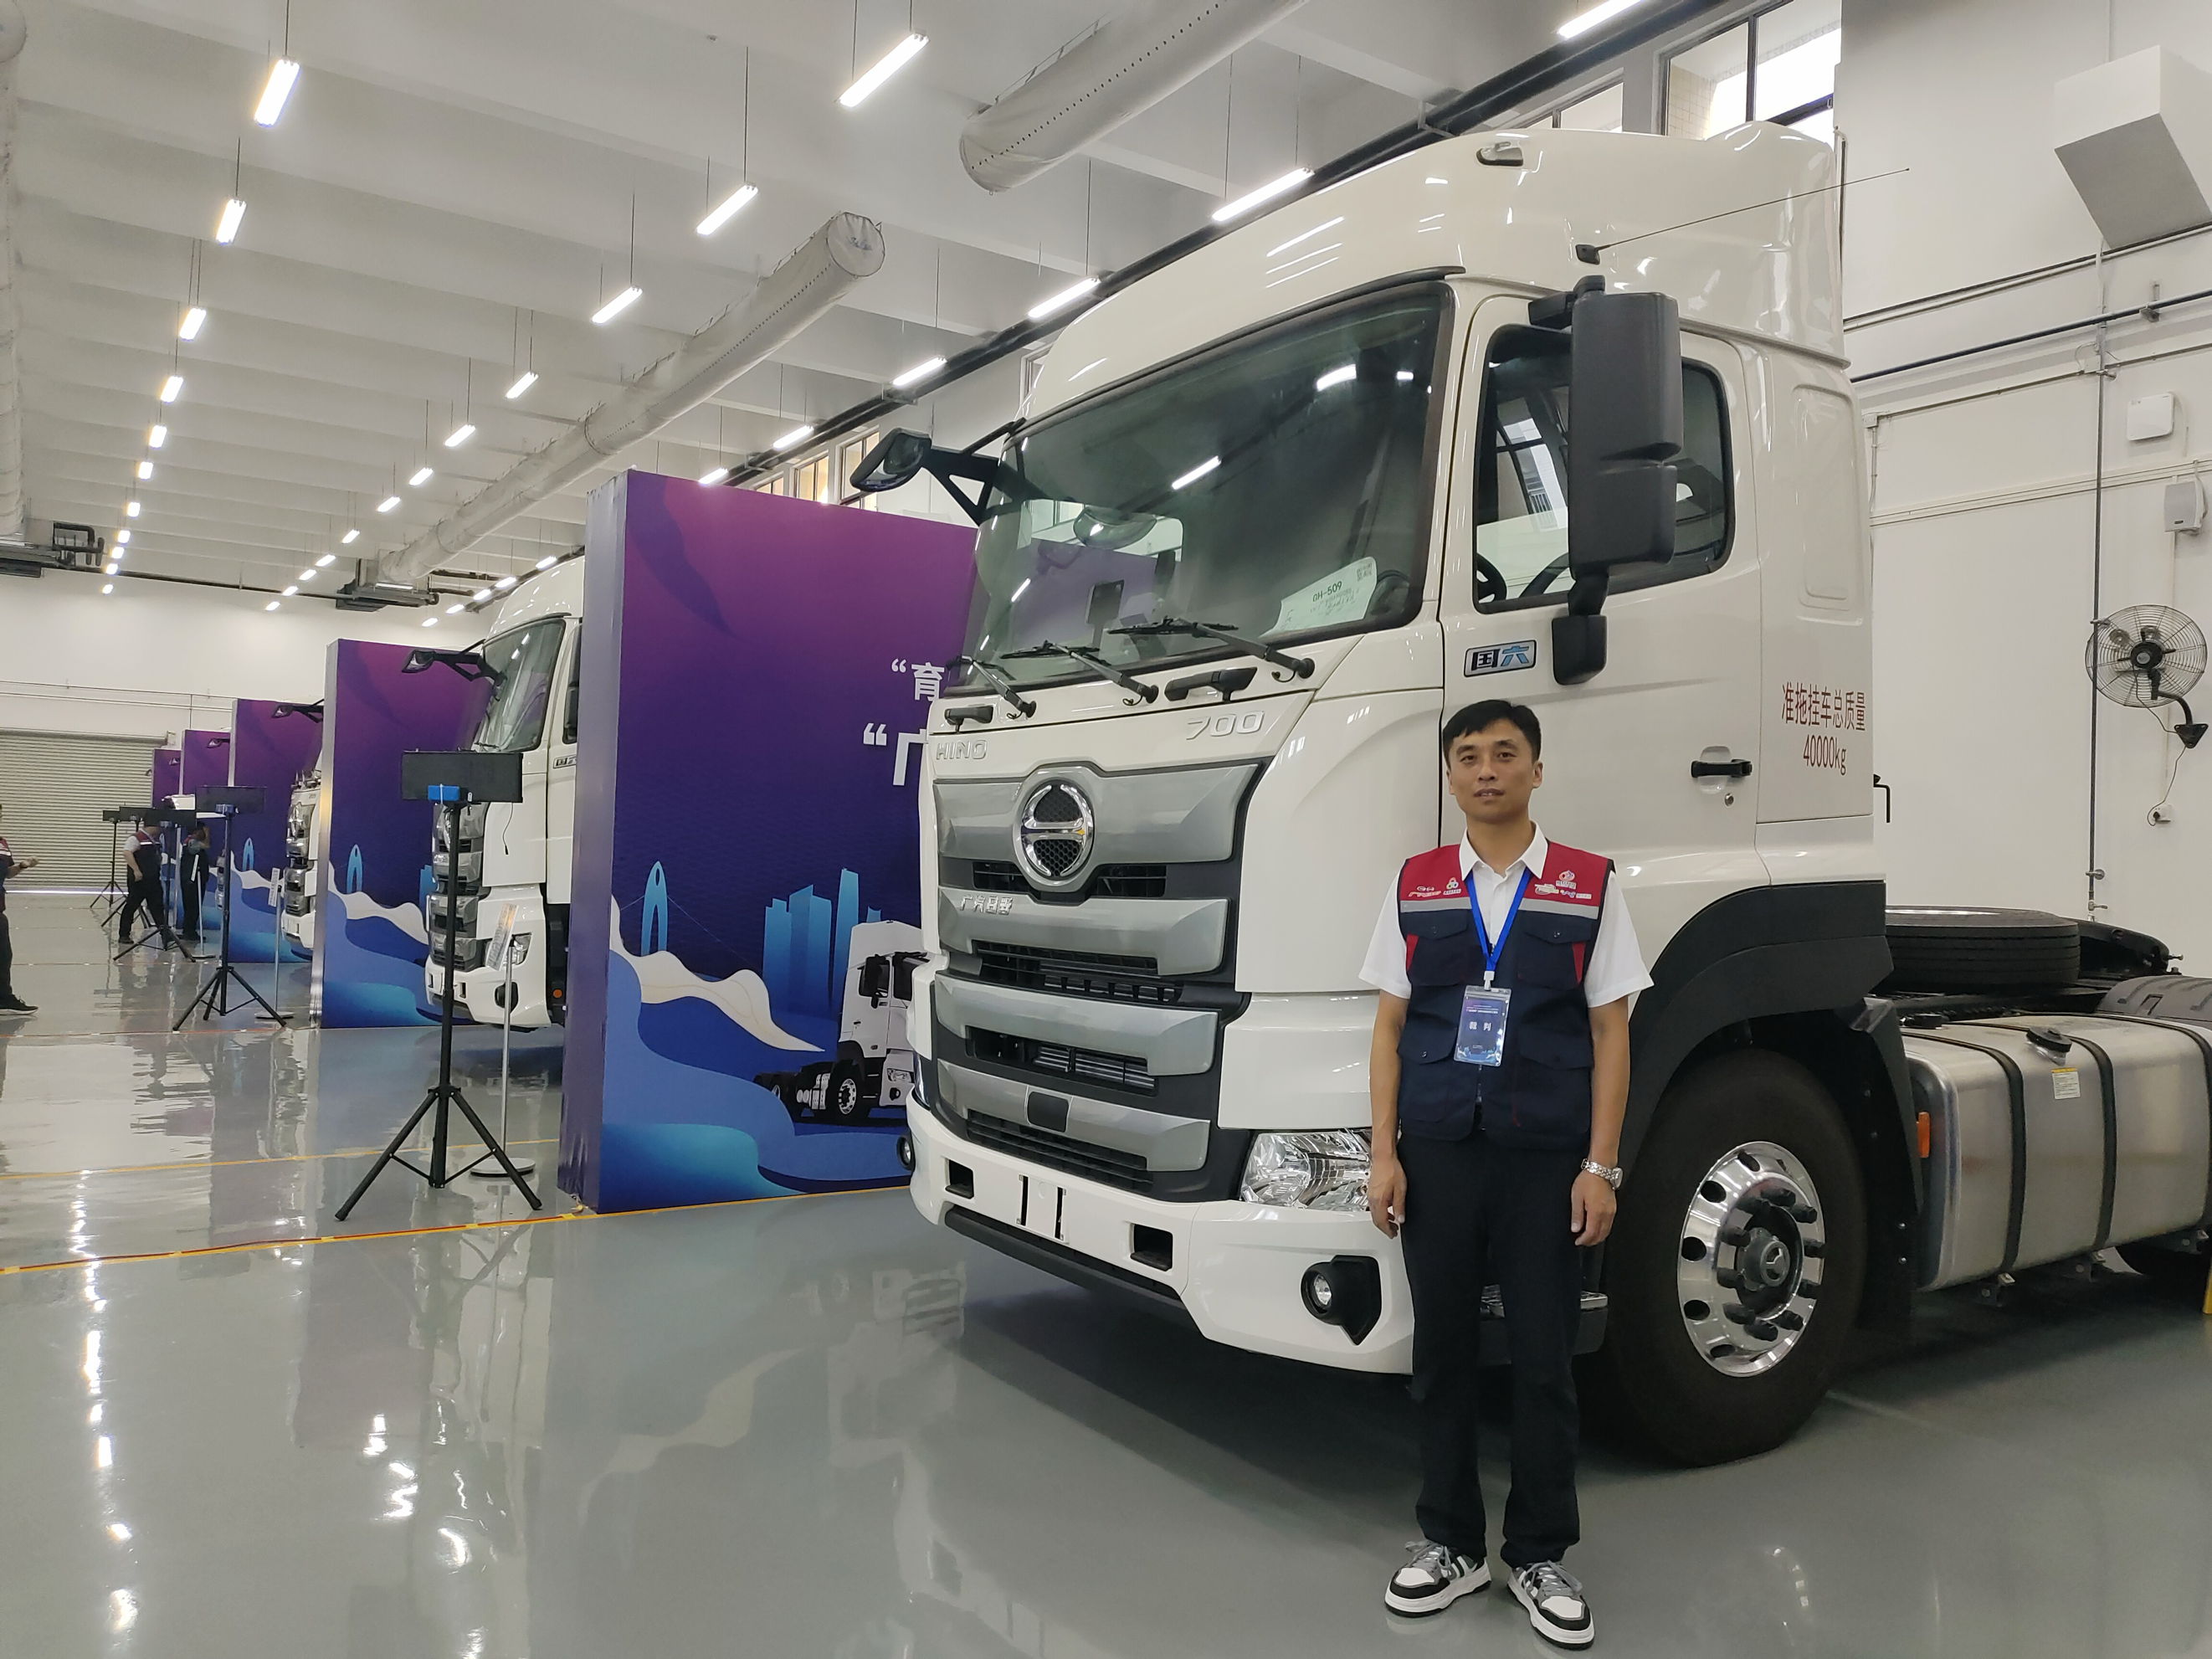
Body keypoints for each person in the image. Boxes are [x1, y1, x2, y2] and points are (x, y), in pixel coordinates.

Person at [1361, 699, 1649, 1650]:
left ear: (1536, 768)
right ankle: (1450, 1542)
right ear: (1449, 776)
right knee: (1440, 1352)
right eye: (1467, 756)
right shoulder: (1416, 883)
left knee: (1542, 1358)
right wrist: (1383, 1153)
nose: (1485, 769)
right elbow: (1390, 1028)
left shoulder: (1586, 883)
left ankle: (1538, 1552)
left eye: (1504, 753)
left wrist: (1600, 1165)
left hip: (1543, 1159)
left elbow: (1611, 1032)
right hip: (1439, 1150)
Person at [117, 816, 179, 950]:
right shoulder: (136, 838)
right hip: (139, 879)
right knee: (132, 905)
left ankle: (165, 934)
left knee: (157, 906)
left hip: (153, 879)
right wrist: (136, 870)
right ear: (152, 827)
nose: (160, 830)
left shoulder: (155, 840)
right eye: (158, 827)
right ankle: (124, 934)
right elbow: (127, 853)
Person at [0, 800, 37, 1013]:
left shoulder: (2, 844)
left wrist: (23, 866)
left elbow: (8, 873)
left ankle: (4, 998)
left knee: (3, 955)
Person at [178, 821, 211, 939]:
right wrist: (208, 835)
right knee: (192, 906)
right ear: (197, 831)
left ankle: (189, 930)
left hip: (191, 879)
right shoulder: (192, 842)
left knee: (192, 906)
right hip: (192, 880)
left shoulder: (188, 842)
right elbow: (206, 845)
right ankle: (189, 931)